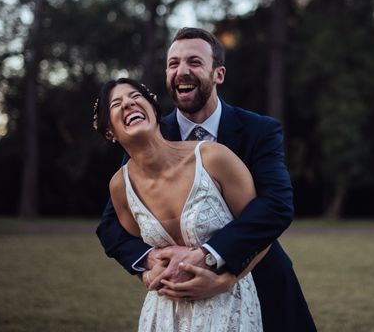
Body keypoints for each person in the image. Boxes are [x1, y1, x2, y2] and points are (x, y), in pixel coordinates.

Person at [96, 27, 316, 331]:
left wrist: (218, 269)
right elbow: (111, 226)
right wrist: (148, 263)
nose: (182, 71)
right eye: (173, 64)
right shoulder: (148, 134)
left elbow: (276, 205)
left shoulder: (259, 130)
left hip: (261, 282)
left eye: (194, 62)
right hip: (176, 302)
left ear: (218, 74)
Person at [94, 77, 264, 330]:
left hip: (227, 307)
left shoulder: (213, 158)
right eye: (116, 103)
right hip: (163, 313)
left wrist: (226, 280)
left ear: (153, 108)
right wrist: (147, 269)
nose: (128, 104)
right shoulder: (120, 186)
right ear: (110, 131)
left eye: (135, 97)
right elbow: (128, 240)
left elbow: (260, 230)